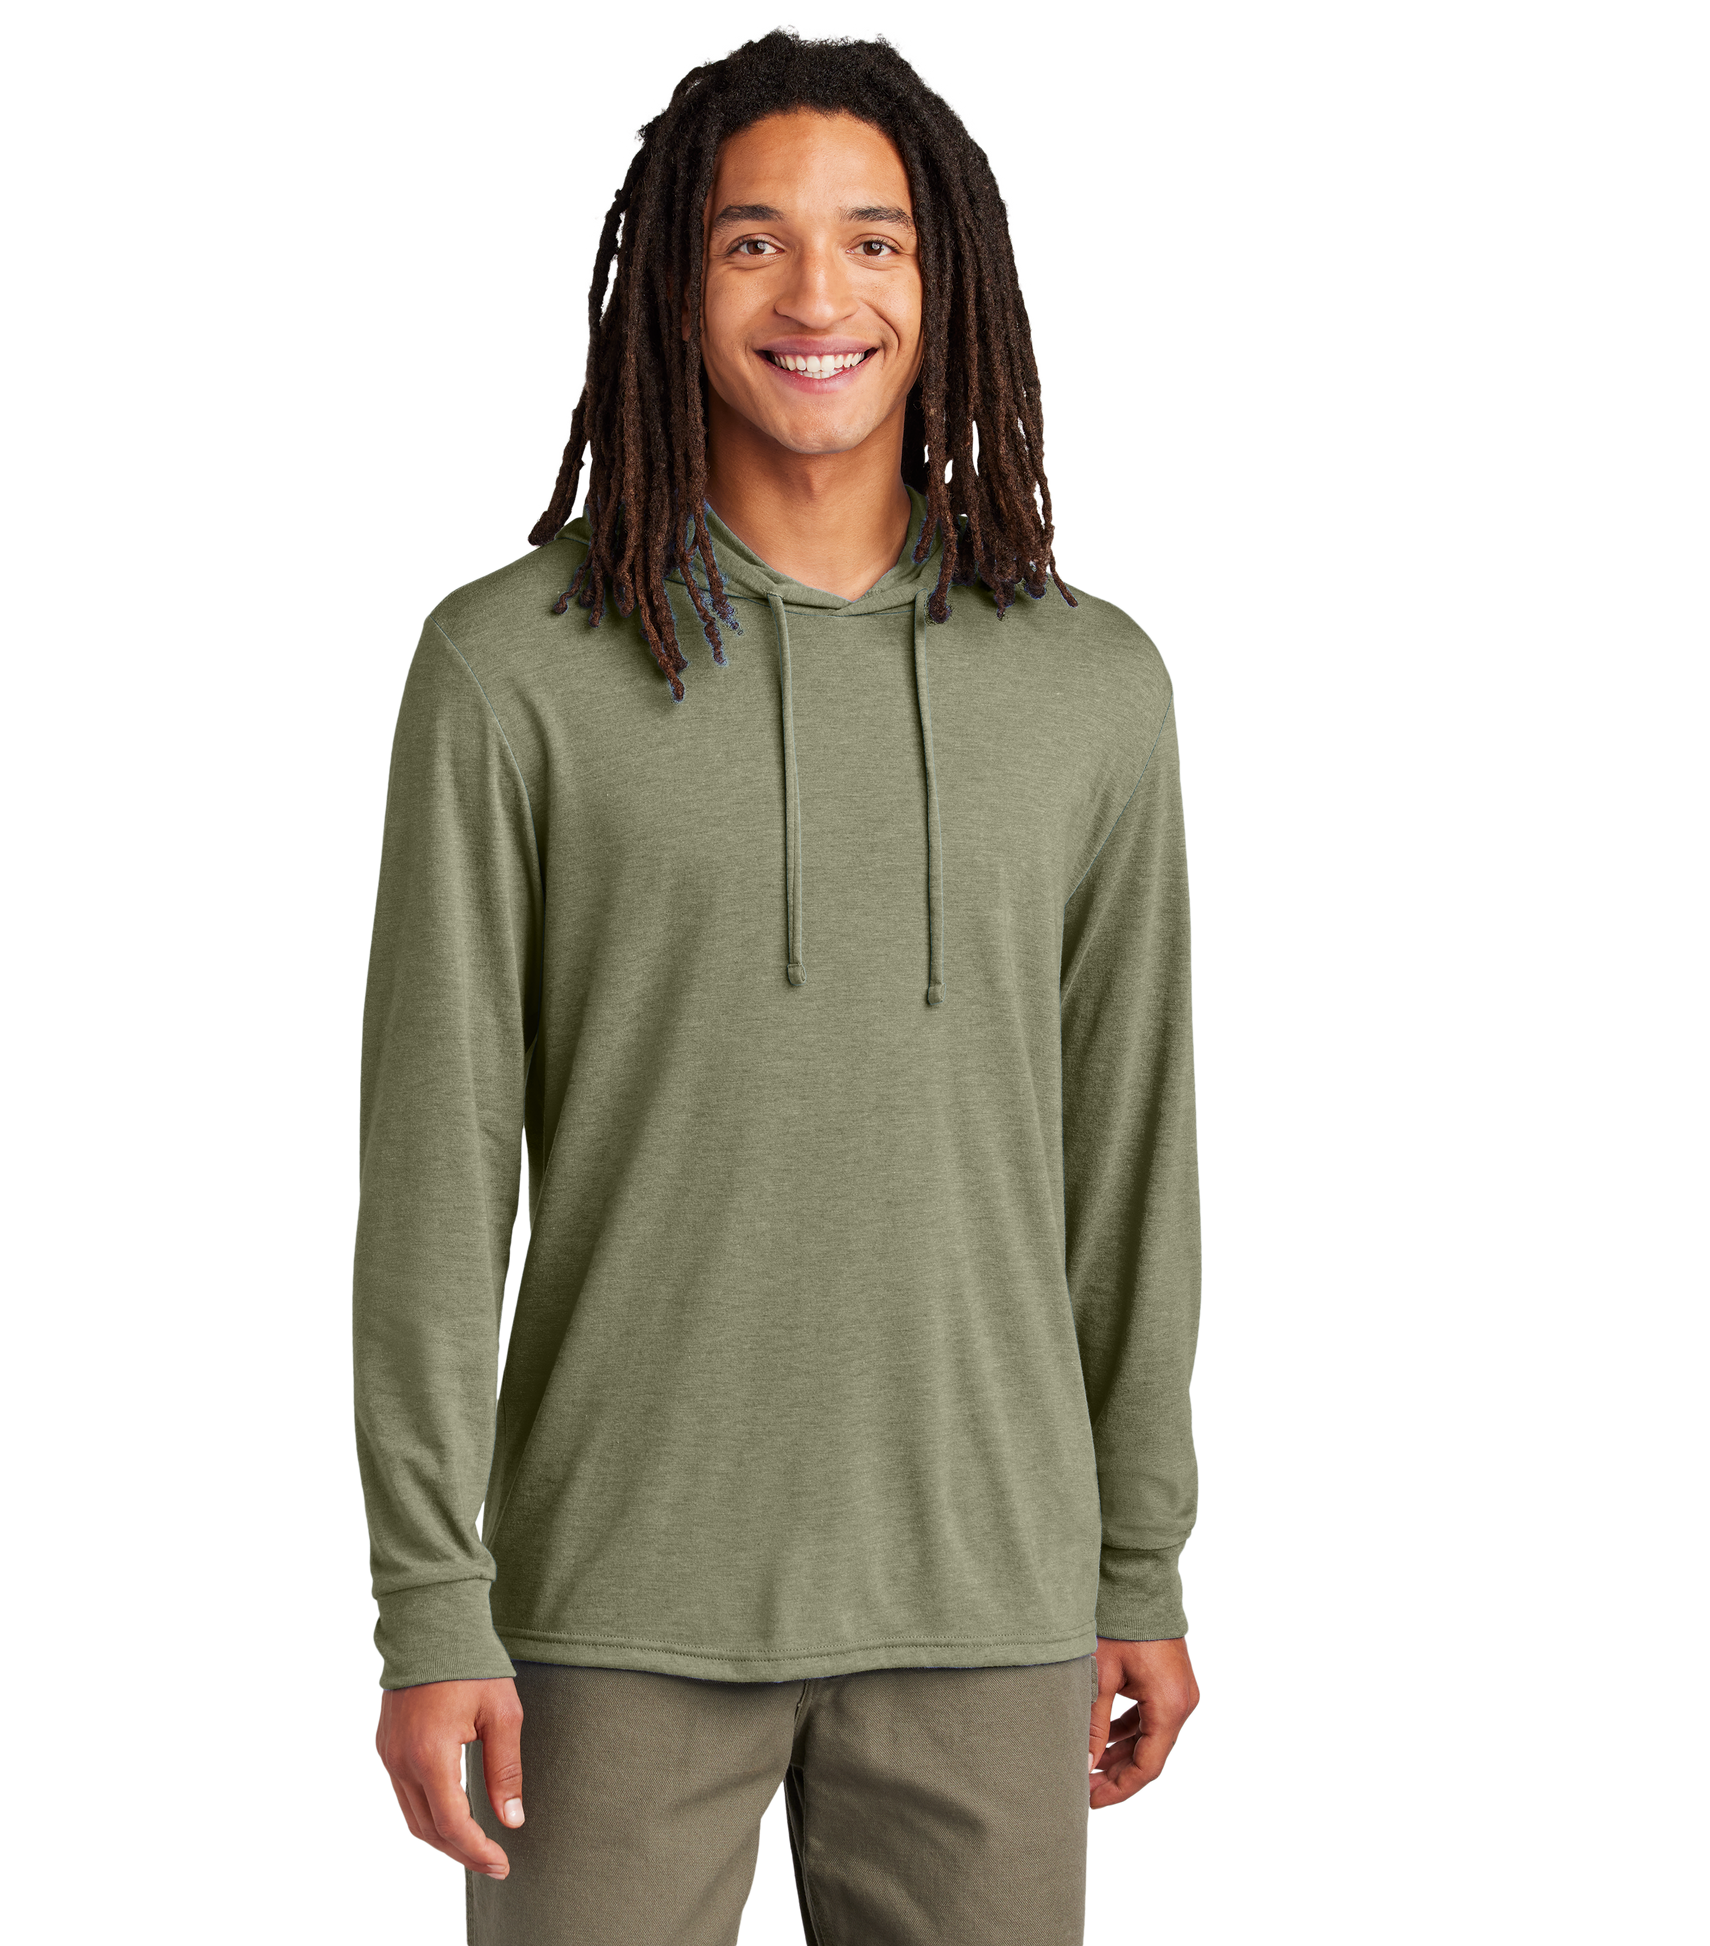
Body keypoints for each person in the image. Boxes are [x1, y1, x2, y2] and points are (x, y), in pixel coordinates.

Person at [351, 21, 1204, 1944]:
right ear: (670, 283)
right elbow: (430, 1176)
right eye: (753, 240)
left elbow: (1132, 1163)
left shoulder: (1092, 685)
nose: (818, 295)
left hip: (991, 1600)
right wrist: (430, 1599)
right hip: (605, 1604)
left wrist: (1137, 1557)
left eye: (872, 240)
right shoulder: (509, 666)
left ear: (947, 283)